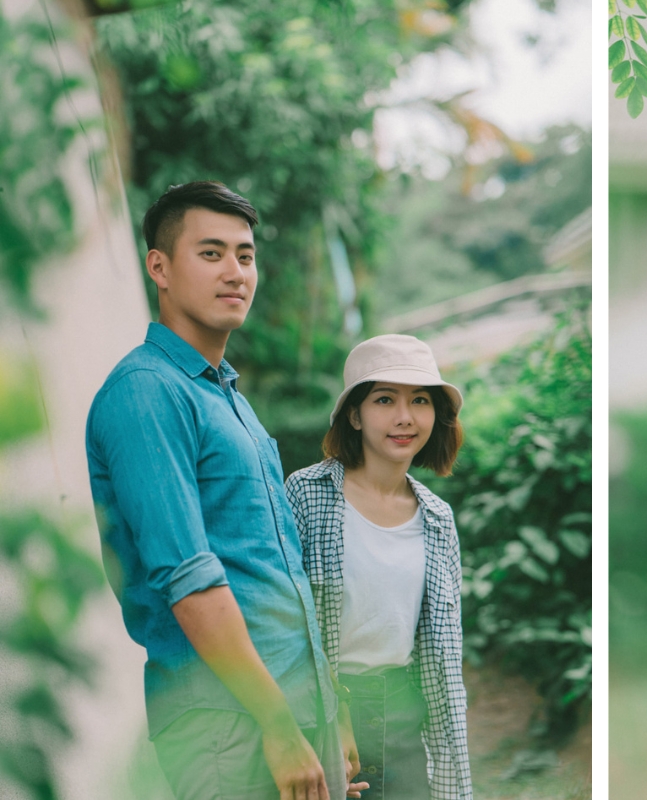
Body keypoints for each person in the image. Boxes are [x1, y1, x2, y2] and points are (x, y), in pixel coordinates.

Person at [86, 181, 346, 800]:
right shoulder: (147, 392)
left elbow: (272, 566)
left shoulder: (224, 395)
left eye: (246, 255)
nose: (235, 272)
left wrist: (328, 712)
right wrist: (278, 724)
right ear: (160, 267)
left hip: (292, 710)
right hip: (230, 725)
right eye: (211, 253)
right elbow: (188, 576)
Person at [285, 334, 472, 800]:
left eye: (420, 400)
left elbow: (443, 654)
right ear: (354, 413)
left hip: (405, 715)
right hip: (321, 716)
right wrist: (330, 717)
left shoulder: (437, 519)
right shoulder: (306, 495)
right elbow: (284, 621)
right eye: (385, 399)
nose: (404, 417)